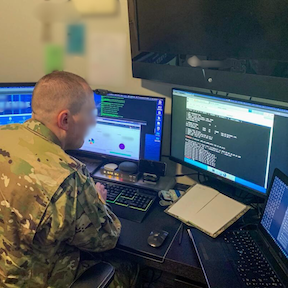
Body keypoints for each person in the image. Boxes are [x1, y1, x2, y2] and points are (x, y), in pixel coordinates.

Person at [0, 71, 138, 288]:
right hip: (31, 282)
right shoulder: (67, 177)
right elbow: (106, 239)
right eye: (90, 113)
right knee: (127, 266)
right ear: (65, 119)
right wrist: (99, 201)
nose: (93, 121)